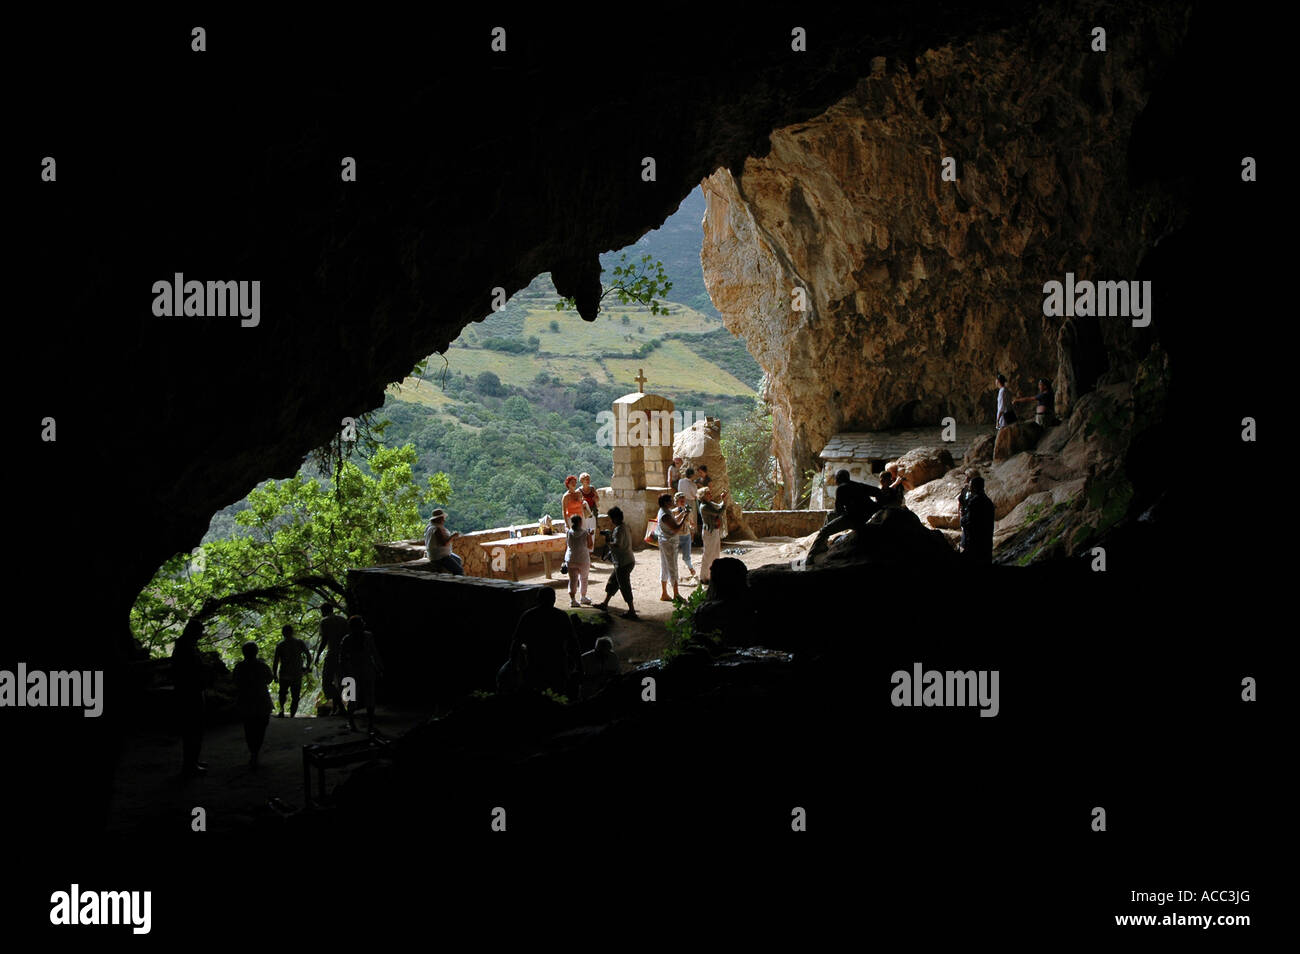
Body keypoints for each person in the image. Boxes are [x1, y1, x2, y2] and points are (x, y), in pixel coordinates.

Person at [508, 588, 580, 695]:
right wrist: (579, 665)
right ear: (554, 600)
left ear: (538, 599)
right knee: (558, 696)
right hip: (557, 665)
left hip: (535, 663)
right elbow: (573, 642)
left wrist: (513, 664)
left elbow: (516, 642)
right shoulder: (561, 616)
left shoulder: (528, 616)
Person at [807, 470, 888, 561]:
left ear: (838, 479)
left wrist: (845, 515)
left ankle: (811, 557)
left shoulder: (841, 488)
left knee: (824, 530)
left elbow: (839, 510)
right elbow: (877, 491)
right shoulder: (858, 485)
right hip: (866, 516)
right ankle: (824, 545)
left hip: (854, 519)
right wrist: (877, 506)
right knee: (830, 515)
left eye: (836, 479)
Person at [171, 619, 212, 778]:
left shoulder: (183, 646)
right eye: (200, 632)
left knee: (193, 729)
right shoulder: (187, 649)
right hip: (191, 692)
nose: (201, 635)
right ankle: (190, 765)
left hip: (189, 690)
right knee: (193, 729)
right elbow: (191, 669)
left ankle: (193, 762)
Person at [232, 641, 274, 768]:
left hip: (246, 701)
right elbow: (269, 679)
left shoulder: (239, 667)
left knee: (249, 728)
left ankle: (253, 752)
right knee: (260, 728)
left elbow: (235, 681)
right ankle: (255, 751)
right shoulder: (262, 666)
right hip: (262, 701)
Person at [339, 615, 383, 734]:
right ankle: (370, 724)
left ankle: (352, 723)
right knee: (369, 696)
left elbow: (342, 659)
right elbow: (374, 654)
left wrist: (344, 673)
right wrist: (379, 668)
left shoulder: (346, 639)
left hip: (352, 671)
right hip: (367, 670)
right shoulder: (368, 636)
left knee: (352, 698)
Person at [595, 506, 637, 619]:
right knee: (613, 582)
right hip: (627, 560)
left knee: (624, 586)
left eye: (611, 518)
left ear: (615, 518)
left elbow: (617, 544)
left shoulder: (619, 530)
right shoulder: (625, 526)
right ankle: (605, 604)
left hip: (623, 562)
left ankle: (632, 611)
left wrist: (608, 540)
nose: (611, 521)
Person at [314, 604, 349, 717]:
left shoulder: (325, 621)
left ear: (324, 611)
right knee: (343, 680)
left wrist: (318, 654)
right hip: (345, 654)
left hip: (332, 653)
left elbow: (324, 640)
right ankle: (341, 708)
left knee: (327, 682)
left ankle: (340, 706)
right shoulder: (343, 620)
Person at [272, 624, 312, 718]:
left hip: (285, 673)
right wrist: (307, 667)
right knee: (295, 695)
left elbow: (276, 662)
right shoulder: (299, 643)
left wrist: (274, 674)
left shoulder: (281, 645)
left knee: (282, 693)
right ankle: (292, 715)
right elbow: (308, 655)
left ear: (283, 633)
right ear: (292, 632)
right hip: (296, 673)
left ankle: (282, 711)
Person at [656, 492, 686, 601]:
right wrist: (685, 517)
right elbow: (676, 528)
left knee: (665, 567)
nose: (672, 502)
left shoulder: (664, 511)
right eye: (670, 500)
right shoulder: (665, 514)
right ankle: (676, 594)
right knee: (673, 567)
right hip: (669, 543)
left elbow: (673, 521)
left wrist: (682, 514)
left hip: (665, 541)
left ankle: (664, 593)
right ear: (665, 502)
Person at [960, 475, 995, 564]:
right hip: (986, 544)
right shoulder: (988, 501)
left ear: (974, 488)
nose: (970, 489)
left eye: (971, 486)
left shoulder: (975, 502)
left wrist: (962, 516)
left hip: (974, 545)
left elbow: (967, 522)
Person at [697, 485, 728, 584]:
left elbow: (719, 507)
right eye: (708, 493)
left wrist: (723, 500)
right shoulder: (705, 506)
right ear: (703, 496)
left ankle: (711, 576)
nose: (710, 495)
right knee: (708, 554)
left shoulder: (709, 504)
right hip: (709, 532)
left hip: (714, 531)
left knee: (715, 553)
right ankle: (703, 577)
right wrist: (724, 502)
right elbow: (719, 511)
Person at [565, 513, 594, 606]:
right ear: (580, 523)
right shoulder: (585, 533)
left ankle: (572, 600)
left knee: (572, 579)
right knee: (584, 578)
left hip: (571, 558)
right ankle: (583, 597)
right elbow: (590, 545)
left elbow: (568, 544)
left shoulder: (568, 532)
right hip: (583, 559)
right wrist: (589, 535)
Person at [578, 636, 620, 700]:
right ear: (596, 649)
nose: (604, 655)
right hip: (589, 692)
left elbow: (617, 672)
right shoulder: (584, 658)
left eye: (607, 652)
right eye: (601, 652)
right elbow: (578, 677)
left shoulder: (613, 656)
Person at [424, 509, 464, 575]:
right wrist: (453, 536)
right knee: (459, 570)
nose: (444, 520)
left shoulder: (431, 527)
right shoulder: (436, 529)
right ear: (438, 519)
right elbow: (444, 543)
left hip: (439, 553)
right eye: (442, 518)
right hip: (439, 556)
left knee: (458, 559)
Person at [674, 490, 698, 582]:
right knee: (674, 556)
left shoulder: (688, 511)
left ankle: (691, 568)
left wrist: (692, 528)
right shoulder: (674, 512)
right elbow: (675, 522)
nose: (683, 502)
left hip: (686, 535)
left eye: (684, 500)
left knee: (687, 555)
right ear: (676, 502)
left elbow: (691, 523)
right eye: (681, 500)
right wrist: (683, 513)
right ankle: (674, 574)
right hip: (676, 536)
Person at [678, 466, 700, 545]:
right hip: (690, 502)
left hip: (682, 502)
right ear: (692, 475)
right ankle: (692, 540)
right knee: (692, 520)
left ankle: (683, 539)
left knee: (683, 520)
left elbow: (679, 491)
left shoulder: (680, 481)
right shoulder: (693, 484)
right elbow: (695, 495)